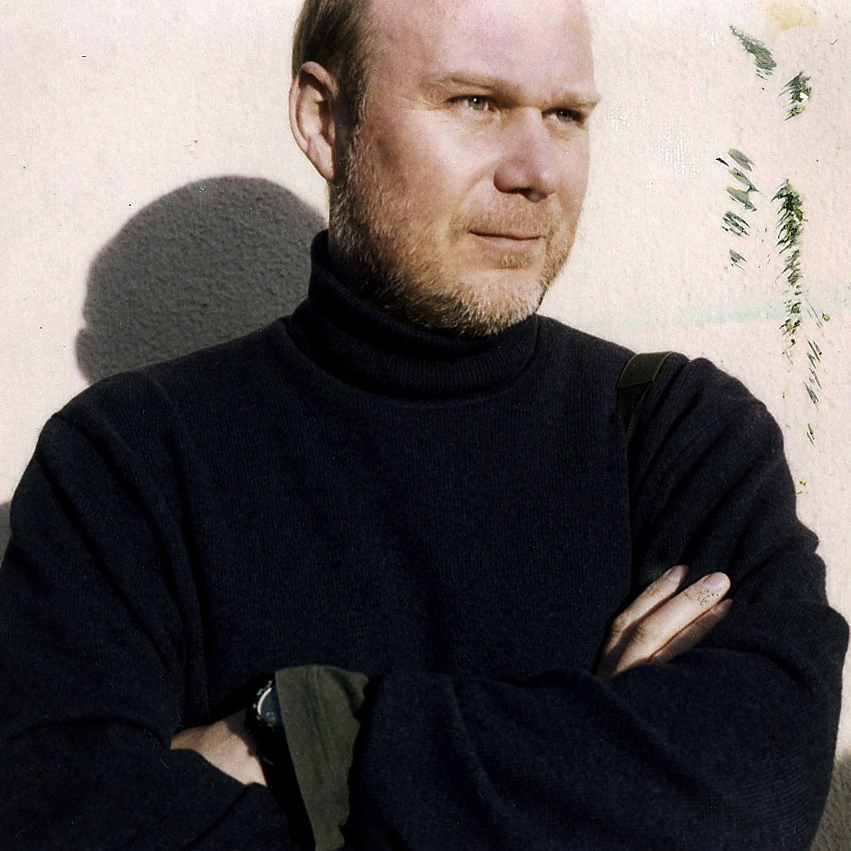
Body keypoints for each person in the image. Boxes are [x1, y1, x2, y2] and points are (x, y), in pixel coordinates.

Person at [0, 0, 846, 848]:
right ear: (323, 120)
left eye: (565, 115)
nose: (536, 171)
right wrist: (600, 770)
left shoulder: (678, 434)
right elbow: (65, 820)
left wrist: (309, 728)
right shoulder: (128, 459)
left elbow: (756, 787)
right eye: (475, 102)